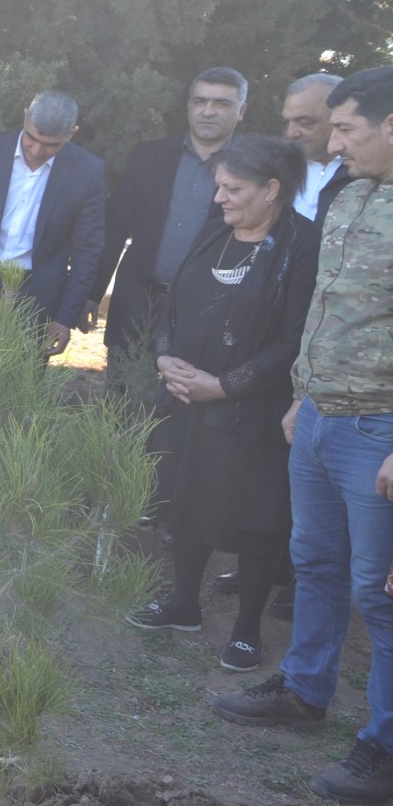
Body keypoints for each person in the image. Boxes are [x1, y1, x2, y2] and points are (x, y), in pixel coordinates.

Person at [212, 67, 393, 803]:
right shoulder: (349, 195)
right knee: (314, 562)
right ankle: (306, 690)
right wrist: (302, 397)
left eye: (346, 127)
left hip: (379, 432)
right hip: (319, 415)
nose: (333, 140)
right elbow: (324, 308)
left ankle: (383, 747)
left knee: (379, 595)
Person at [120, 137, 317, 674]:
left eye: (232, 189)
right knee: (187, 495)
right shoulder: (216, 233)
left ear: (271, 190)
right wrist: (166, 359)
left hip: (254, 407)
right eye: (219, 187)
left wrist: (227, 385)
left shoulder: (302, 244)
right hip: (187, 397)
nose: (220, 198)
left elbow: (296, 338)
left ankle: (248, 627)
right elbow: (174, 305)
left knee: (257, 515)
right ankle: (184, 602)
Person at [85, 67, 248, 359]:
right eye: (200, 101)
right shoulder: (149, 156)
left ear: (242, 111)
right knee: (123, 400)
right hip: (136, 304)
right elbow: (116, 228)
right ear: (188, 106)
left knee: (185, 403)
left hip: (206, 314)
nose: (208, 111)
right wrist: (91, 294)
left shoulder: (252, 168)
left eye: (222, 103)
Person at [0, 89, 105, 358]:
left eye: (51, 145)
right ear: (25, 117)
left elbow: (88, 251)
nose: (38, 150)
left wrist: (65, 317)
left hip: (36, 294)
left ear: (72, 134)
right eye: (32, 138)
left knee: (18, 387)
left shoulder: (87, 171)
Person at [282, 72, 354, 222]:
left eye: (304, 122)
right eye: (287, 123)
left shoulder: (364, 172)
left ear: (338, 118)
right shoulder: (277, 169)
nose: (291, 133)